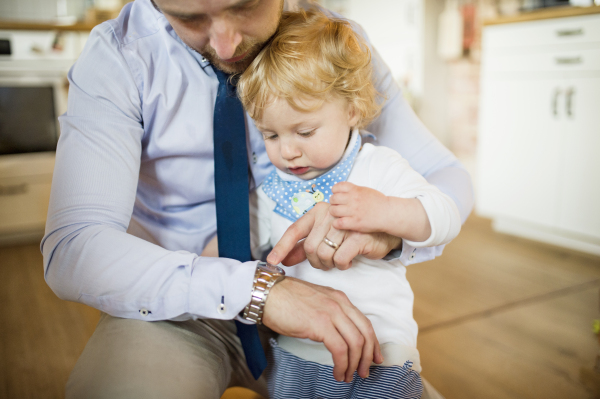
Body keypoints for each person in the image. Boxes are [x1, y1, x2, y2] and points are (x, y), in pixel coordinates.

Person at [40, 0, 473, 397]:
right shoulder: (119, 56)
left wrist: (389, 231)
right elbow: (74, 247)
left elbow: (445, 177)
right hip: (176, 305)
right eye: (190, 18)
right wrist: (258, 290)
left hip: (332, 314)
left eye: (244, 6)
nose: (226, 45)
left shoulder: (334, 44)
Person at [236, 10, 460, 398]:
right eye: (270, 135)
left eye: (305, 131)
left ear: (352, 109)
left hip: (381, 354)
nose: (288, 150)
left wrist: (386, 212)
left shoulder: (377, 167)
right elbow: (242, 253)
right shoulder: (270, 188)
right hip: (295, 353)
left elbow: (446, 216)